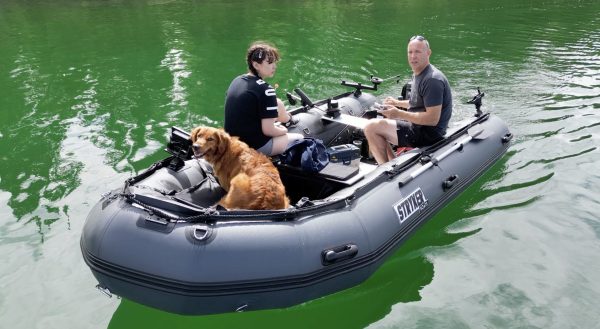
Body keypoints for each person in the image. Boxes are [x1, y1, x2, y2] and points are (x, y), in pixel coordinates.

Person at [363, 35, 453, 164]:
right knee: (384, 121)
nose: (413, 56)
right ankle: (392, 163)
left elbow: (432, 119)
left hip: (428, 134)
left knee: (371, 128)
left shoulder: (432, 80)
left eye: (417, 52)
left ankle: (385, 169)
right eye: (410, 52)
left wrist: (398, 113)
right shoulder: (419, 73)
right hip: (420, 127)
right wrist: (397, 103)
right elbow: (419, 103)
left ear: (428, 53)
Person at [224, 41, 303, 156]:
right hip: (252, 147)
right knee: (299, 138)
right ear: (256, 65)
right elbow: (268, 130)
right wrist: (284, 130)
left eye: (275, 62)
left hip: (233, 143)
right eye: (270, 63)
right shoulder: (266, 90)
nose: (274, 66)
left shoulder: (237, 80)